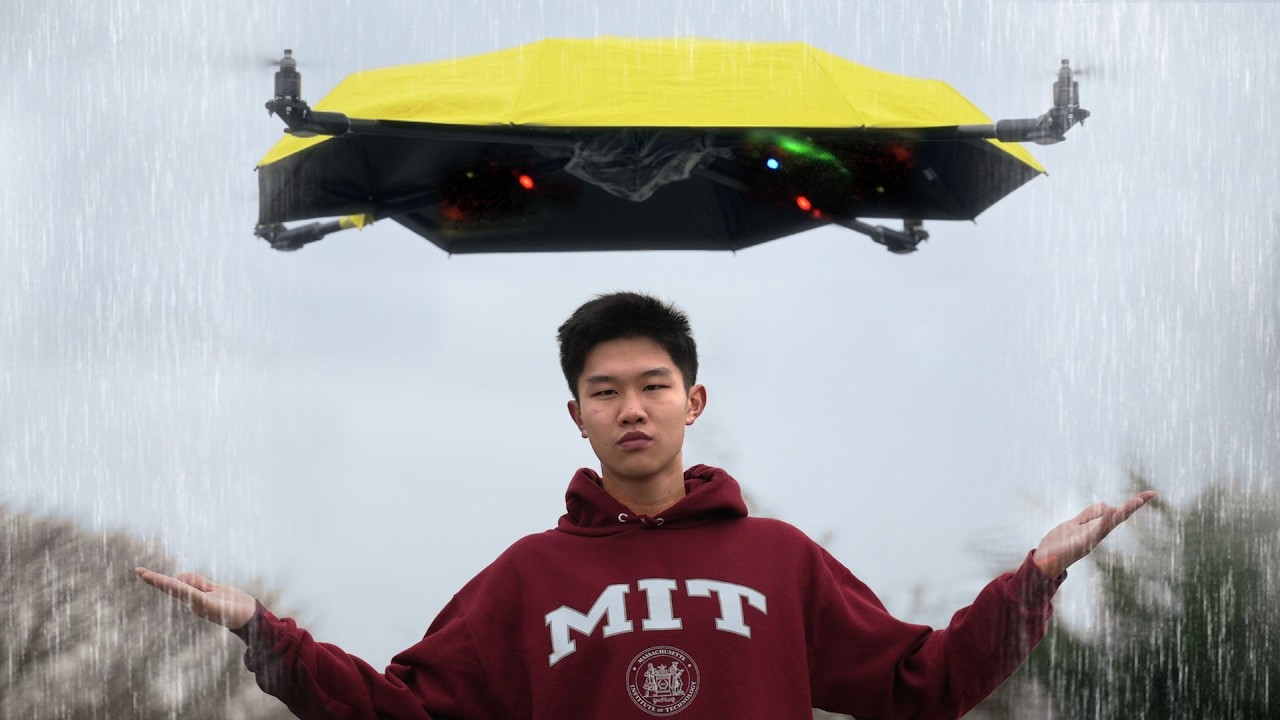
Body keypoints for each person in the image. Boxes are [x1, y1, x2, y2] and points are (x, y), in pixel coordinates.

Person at [136, 291, 1154, 719]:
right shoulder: (528, 576)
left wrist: (1035, 579)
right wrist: (267, 637)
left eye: (652, 385)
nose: (632, 408)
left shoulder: (778, 558)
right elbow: (406, 712)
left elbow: (918, 684)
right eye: (605, 391)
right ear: (573, 414)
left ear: (692, 401)